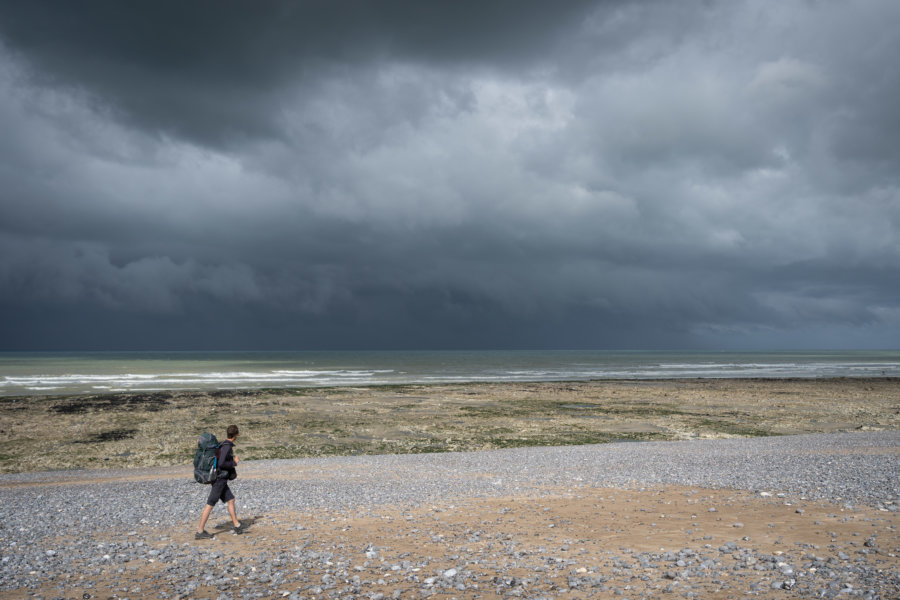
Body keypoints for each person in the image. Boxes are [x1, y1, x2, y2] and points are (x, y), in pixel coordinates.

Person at [196, 424, 242, 539]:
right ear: (236, 435)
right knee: (210, 504)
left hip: (220, 479)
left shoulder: (222, 444)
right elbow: (221, 463)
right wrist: (234, 462)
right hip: (219, 480)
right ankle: (200, 532)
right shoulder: (226, 447)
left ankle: (237, 525)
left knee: (231, 499)